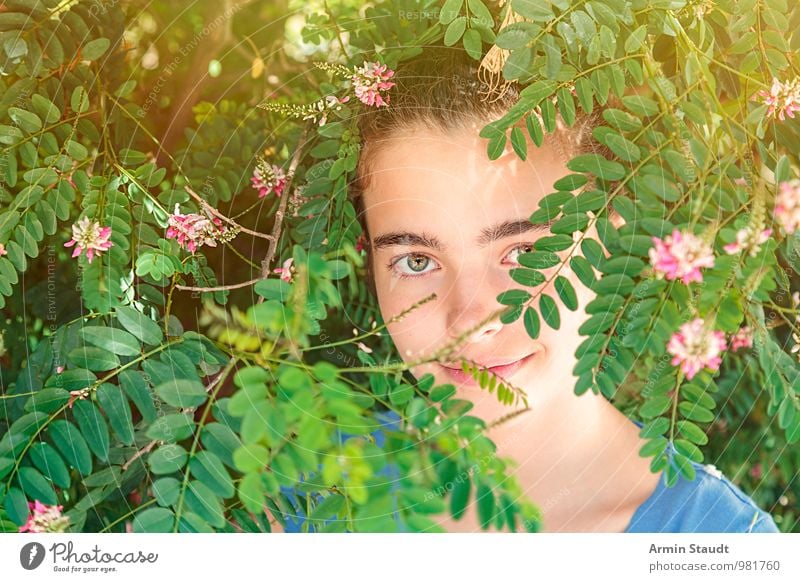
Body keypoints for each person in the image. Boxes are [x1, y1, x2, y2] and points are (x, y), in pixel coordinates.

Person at [272, 45, 779, 534]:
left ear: (614, 239)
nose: (470, 322)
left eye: (523, 254)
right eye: (417, 260)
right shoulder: (299, 493)